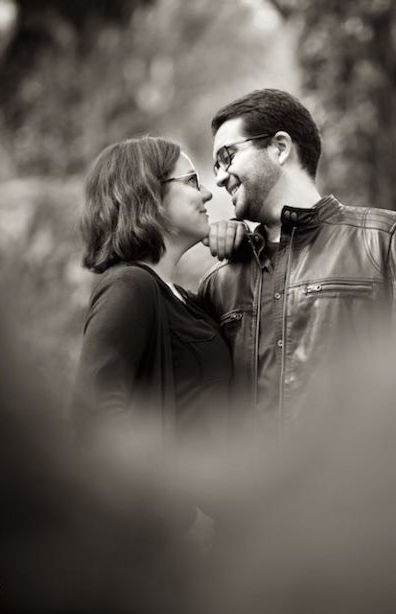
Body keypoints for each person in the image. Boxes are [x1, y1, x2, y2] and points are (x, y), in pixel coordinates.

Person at [200, 89, 396, 433]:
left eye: (227, 157)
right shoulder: (220, 280)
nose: (220, 177)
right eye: (216, 165)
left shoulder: (384, 239)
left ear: (280, 148)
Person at [73, 135, 242, 544]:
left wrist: (244, 249)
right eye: (191, 180)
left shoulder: (183, 298)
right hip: (166, 537)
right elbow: (95, 412)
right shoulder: (129, 286)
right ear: (148, 195)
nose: (205, 193)